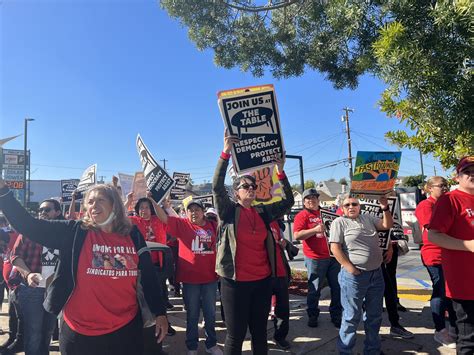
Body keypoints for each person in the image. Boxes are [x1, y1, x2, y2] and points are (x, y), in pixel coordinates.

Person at [0, 180, 168, 355]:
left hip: (126, 330)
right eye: (90, 201)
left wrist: (160, 312)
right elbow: (28, 225)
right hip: (79, 334)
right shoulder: (74, 231)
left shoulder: (132, 234)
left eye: (100, 200)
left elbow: (148, 274)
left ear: (115, 205)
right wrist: (3, 191)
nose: (94, 205)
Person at [212, 130, 294, 354]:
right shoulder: (229, 212)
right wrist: (226, 152)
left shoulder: (263, 212)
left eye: (253, 187)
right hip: (234, 283)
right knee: (235, 336)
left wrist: (280, 170)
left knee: (260, 334)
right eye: (245, 186)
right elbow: (217, 187)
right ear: (236, 192)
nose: (250, 189)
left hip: (262, 282)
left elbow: (289, 200)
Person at [154, 199, 223, 355]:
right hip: (190, 280)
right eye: (190, 210)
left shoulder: (213, 226)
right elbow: (164, 218)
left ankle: (211, 344)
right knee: (192, 315)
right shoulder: (183, 225)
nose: (194, 212)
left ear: (203, 211)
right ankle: (192, 346)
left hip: (210, 279)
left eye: (197, 209)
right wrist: (155, 201)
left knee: (210, 314)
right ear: (186, 213)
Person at [329, 194, 393, 355]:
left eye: (354, 204)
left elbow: (386, 225)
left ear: (359, 206)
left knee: (374, 316)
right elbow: (335, 248)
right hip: (354, 278)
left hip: (376, 275)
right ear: (342, 208)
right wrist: (350, 268)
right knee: (351, 317)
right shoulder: (339, 222)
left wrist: (384, 206)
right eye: (347, 205)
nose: (351, 207)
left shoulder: (368, 218)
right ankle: (345, 351)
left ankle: (372, 350)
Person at [428, 156, 474, 355]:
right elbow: (433, 235)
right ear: (458, 177)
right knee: (468, 340)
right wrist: (468, 245)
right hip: (465, 284)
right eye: (467, 171)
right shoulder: (450, 199)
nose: (472, 174)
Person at [10, 199, 64, 355]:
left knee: (47, 332)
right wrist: (28, 274)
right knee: (33, 333)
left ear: (57, 213)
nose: (42, 213)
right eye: (40, 210)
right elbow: (15, 256)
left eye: (47, 209)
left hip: (54, 291)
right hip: (33, 290)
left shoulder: (65, 233)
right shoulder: (29, 231)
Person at [415, 176, 457, 348]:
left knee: (449, 291)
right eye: (441, 186)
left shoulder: (444, 204)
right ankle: (440, 330)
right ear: (429, 188)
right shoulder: (426, 205)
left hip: (448, 254)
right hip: (434, 255)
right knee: (440, 291)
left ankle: (452, 326)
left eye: (446, 185)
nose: (445, 188)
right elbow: (432, 227)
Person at [293, 188, 342, 328]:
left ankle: (336, 315)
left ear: (318, 199)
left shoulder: (326, 213)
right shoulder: (302, 216)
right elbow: (297, 235)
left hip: (333, 257)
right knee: (314, 289)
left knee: (337, 288)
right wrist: (314, 230)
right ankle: (313, 315)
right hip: (315, 259)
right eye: (308, 198)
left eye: (314, 197)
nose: (311, 200)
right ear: (303, 201)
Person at [269, 219, 291, 350]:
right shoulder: (257, 220)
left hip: (280, 271)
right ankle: (259, 338)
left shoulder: (276, 223)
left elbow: (281, 240)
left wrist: (283, 243)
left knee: (283, 308)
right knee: (259, 310)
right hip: (263, 273)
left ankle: (280, 336)